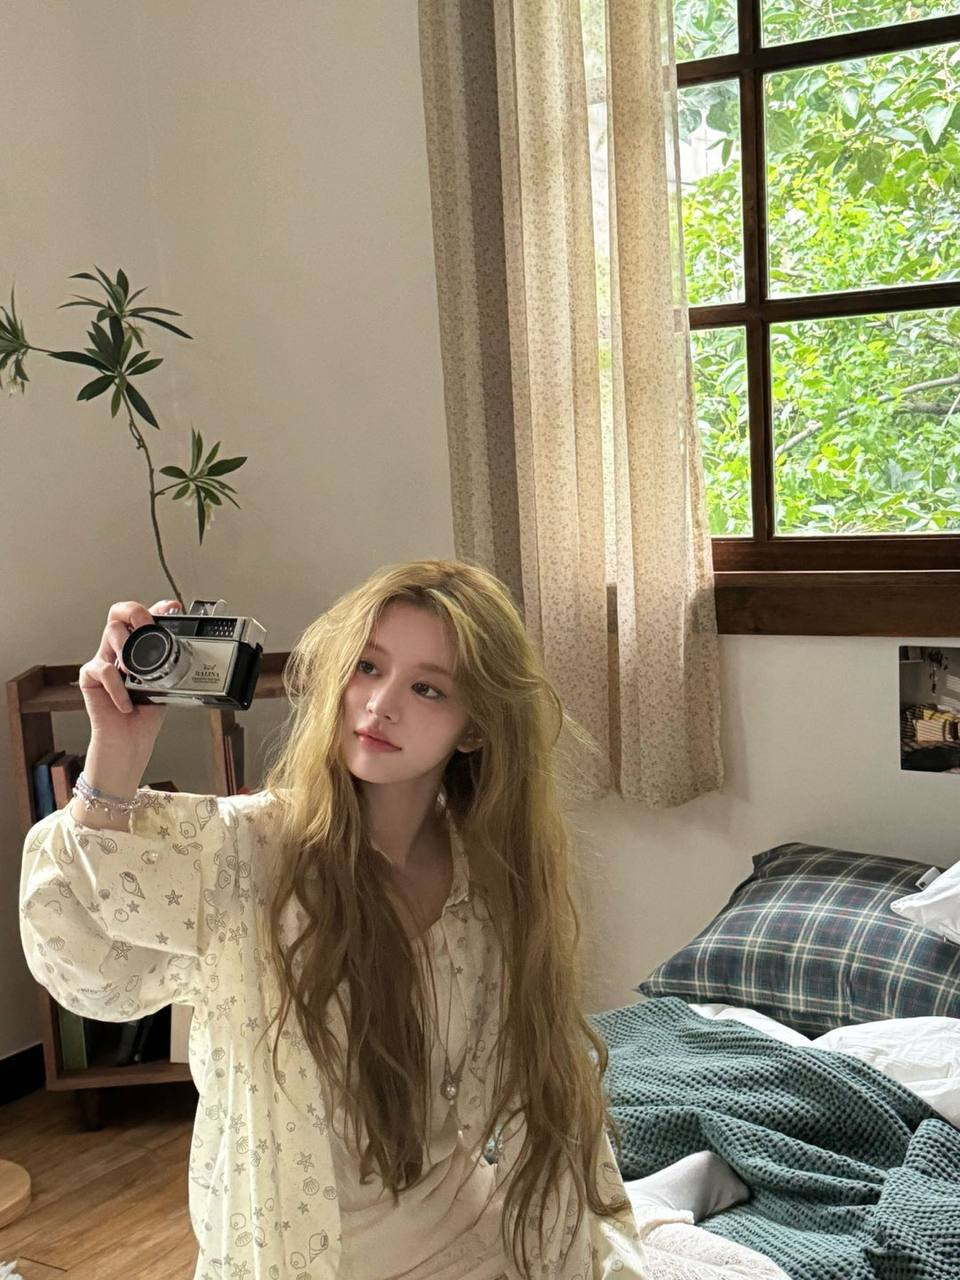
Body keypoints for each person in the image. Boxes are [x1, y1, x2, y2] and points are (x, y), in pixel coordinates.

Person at [19, 559, 788, 1280]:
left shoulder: (485, 881)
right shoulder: (248, 850)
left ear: (475, 726)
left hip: (464, 1239)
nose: (380, 704)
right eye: (368, 667)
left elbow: (539, 1109)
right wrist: (114, 754)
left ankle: (666, 1204)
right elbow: (87, 972)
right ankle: (675, 1197)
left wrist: (590, 1253)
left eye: (428, 688)